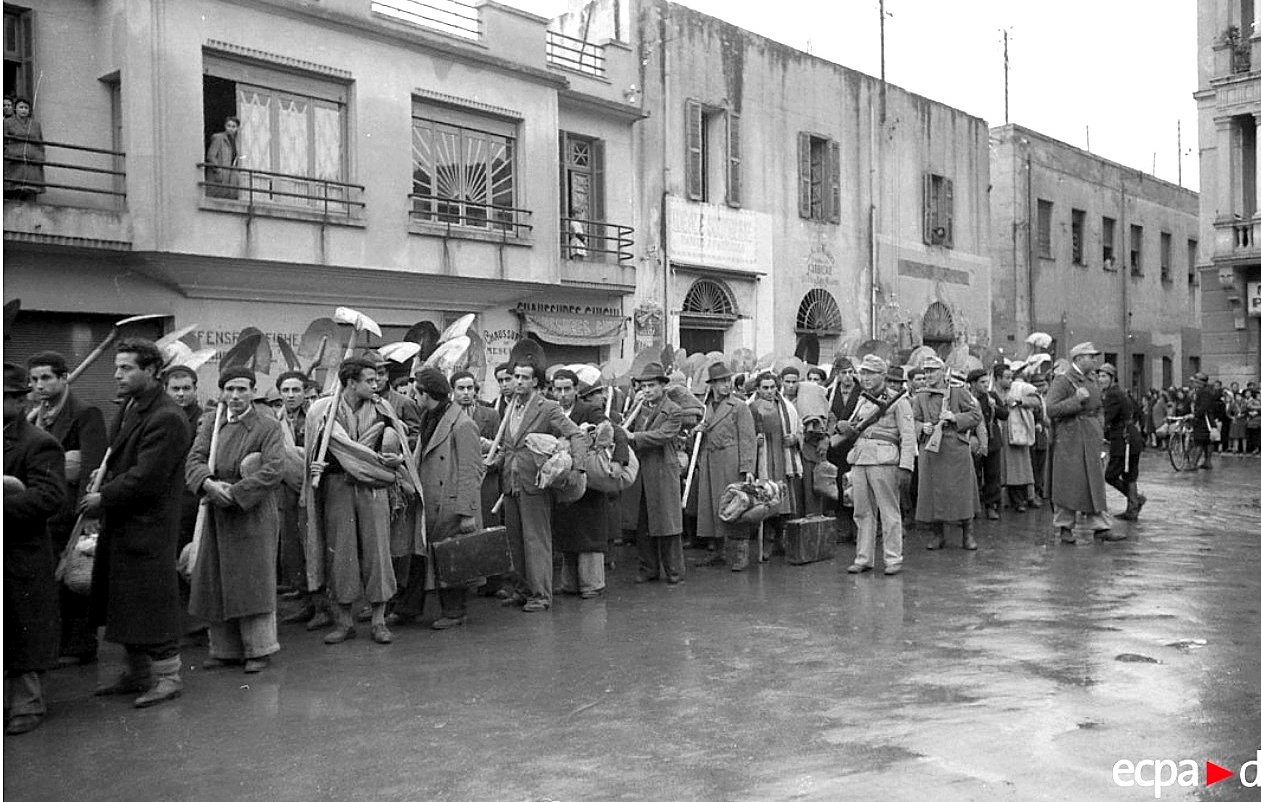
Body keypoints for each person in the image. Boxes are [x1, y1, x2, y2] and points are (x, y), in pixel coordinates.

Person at [82, 339, 192, 708]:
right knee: (125, 601)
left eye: (127, 368)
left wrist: (104, 496)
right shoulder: (131, 407)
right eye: (116, 368)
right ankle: (138, 673)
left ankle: (169, 676)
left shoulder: (166, 417)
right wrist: (105, 472)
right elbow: (125, 459)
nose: (117, 375)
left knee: (150, 603)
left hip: (149, 524)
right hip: (127, 522)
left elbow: (147, 477)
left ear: (151, 371)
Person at [305, 357, 418, 645]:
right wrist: (316, 467)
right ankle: (344, 622)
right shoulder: (322, 411)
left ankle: (379, 621)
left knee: (379, 553)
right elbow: (311, 454)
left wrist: (396, 460)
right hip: (337, 487)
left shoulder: (384, 410)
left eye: (377, 378)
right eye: (369, 379)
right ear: (350, 382)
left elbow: (401, 450)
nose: (376, 383)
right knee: (340, 553)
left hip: (375, 488)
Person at [185, 367, 286, 674]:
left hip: (251, 512)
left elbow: (274, 469)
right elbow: (194, 459)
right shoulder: (211, 425)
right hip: (217, 509)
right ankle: (224, 649)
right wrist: (207, 484)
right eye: (230, 390)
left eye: (242, 389)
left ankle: (259, 649)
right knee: (215, 579)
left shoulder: (268, 426)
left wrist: (237, 492)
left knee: (252, 581)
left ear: (253, 391)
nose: (236, 396)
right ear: (222, 392)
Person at [25, 351, 107, 667]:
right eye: (34, 379)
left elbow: (92, 467)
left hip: (70, 509)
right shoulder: (35, 415)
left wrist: (87, 517)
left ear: (63, 377)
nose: (39, 385)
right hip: (41, 509)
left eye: (46, 378)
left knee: (74, 578)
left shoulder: (85, 414)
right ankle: (58, 643)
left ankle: (80, 645)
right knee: (50, 580)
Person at [491, 360, 587, 612]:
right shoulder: (510, 406)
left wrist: (578, 468)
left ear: (535, 382)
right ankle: (523, 589)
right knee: (516, 540)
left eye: (524, 377)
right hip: (510, 482)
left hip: (536, 482)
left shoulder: (548, 408)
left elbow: (576, 434)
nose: (518, 382)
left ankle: (541, 595)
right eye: (515, 377)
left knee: (536, 540)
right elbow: (510, 446)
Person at [391, 368, 482, 629]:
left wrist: (466, 512)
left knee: (451, 556)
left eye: (415, 392)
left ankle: (455, 612)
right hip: (427, 499)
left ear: (425, 394)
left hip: (449, 503)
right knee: (419, 556)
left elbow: (469, 470)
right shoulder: (430, 417)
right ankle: (409, 608)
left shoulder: (463, 424)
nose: (412, 397)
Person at [3, 363, 66, 735]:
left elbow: (50, 497)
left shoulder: (38, 443)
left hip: (19, 551)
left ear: (16, 400)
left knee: (23, 627)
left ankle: (27, 703)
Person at [840, 356, 916, 575]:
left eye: (871, 373)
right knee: (861, 511)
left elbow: (908, 436)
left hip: (884, 459)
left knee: (889, 511)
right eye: (863, 373)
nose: (866, 378)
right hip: (860, 458)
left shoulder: (898, 400)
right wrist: (846, 427)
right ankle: (864, 557)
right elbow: (855, 426)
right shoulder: (862, 400)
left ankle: (893, 559)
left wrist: (906, 466)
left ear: (883, 375)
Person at [552, 369, 620, 597]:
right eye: (558, 389)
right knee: (567, 531)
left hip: (589, 481)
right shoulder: (551, 413)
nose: (563, 394)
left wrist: (619, 461)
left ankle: (593, 584)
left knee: (589, 533)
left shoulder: (589, 411)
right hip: (564, 481)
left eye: (567, 389)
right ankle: (570, 583)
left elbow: (614, 432)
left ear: (576, 390)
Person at [1045, 343, 1117, 543]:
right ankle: (1064, 527)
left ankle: (1101, 527)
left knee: (1094, 482)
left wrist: (1099, 426)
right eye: (1090, 357)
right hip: (1070, 439)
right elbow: (1051, 409)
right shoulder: (1063, 381)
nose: (1095, 361)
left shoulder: (1091, 379)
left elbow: (1099, 406)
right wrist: (1076, 400)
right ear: (1078, 359)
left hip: (1091, 437)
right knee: (1068, 483)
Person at [623, 362, 685, 585]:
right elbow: (626, 427)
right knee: (643, 523)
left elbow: (663, 435)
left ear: (662, 386)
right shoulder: (638, 407)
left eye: (651, 386)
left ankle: (674, 571)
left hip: (661, 470)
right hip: (640, 471)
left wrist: (633, 437)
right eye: (643, 386)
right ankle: (648, 568)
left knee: (667, 524)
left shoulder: (674, 410)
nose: (647, 390)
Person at [913, 356, 981, 550]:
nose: (928, 375)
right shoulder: (921, 395)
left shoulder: (958, 391)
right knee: (932, 494)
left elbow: (976, 416)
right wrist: (921, 427)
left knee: (962, 493)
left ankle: (967, 534)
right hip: (931, 450)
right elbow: (913, 419)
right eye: (926, 371)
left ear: (943, 372)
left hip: (955, 449)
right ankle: (937, 534)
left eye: (933, 371)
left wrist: (954, 417)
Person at [694, 362, 757, 571]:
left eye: (727, 381)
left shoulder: (739, 406)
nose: (726, 385)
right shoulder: (705, 408)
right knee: (713, 509)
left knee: (735, 506)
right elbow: (697, 439)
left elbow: (748, 439)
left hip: (731, 461)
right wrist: (698, 431)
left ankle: (739, 555)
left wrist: (748, 468)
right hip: (710, 461)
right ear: (711, 384)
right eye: (721, 382)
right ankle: (718, 551)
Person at [163, 364, 209, 645]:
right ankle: (181, 624)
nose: (180, 394)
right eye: (175, 389)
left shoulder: (203, 422)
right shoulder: (163, 418)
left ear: (195, 389)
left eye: (186, 389)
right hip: (168, 500)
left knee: (192, 563)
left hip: (192, 501)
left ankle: (197, 626)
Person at [748, 371, 802, 558]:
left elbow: (799, 429)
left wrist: (794, 438)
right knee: (765, 500)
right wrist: (754, 439)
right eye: (765, 388)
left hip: (782, 457)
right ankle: (766, 543)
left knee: (783, 501)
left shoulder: (787, 408)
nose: (769, 391)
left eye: (772, 387)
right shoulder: (749, 407)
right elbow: (745, 434)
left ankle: (781, 540)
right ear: (758, 389)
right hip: (761, 460)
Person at [450, 370, 501, 526]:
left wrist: (494, 460)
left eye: (470, 388)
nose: (466, 392)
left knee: (488, 524)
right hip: (457, 479)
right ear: (452, 391)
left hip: (486, 480)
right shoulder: (447, 417)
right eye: (461, 388)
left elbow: (503, 448)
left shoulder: (490, 415)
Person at [1098, 364, 1146, 521]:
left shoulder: (1113, 394)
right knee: (1129, 475)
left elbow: (1105, 418)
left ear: (1112, 378)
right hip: (1131, 437)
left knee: (1111, 475)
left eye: (1104, 376)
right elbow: (1138, 411)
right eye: (1100, 376)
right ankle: (1132, 508)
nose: (1101, 379)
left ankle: (1135, 501)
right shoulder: (1121, 393)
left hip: (1123, 439)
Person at [827, 357, 863, 543]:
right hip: (836, 448)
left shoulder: (863, 393)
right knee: (839, 485)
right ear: (837, 375)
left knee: (856, 485)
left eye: (850, 372)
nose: (848, 377)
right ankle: (843, 526)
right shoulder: (829, 394)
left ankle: (858, 526)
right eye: (843, 373)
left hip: (855, 444)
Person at [996, 364, 1038, 512]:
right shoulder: (992, 392)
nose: (1010, 381)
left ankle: (1027, 497)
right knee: (1009, 469)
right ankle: (1014, 500)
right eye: (1006, 378)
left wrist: (1019, 401)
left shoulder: (1019, 388)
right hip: (1003, 432)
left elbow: (1036, 401)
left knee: (1023, 467)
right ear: (997, 378)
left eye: (1011, 377)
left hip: (1019, 432)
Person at [968, 368, 1006, 521]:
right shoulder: (967, 398)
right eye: (982, 382)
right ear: (973, 383)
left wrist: (994, 407)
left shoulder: (992, 397)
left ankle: (991, 506)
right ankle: (974, 507)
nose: (985, 385)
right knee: (974, 475)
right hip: (974, 441)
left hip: (992, 441)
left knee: (992, 475)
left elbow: (1005, 414)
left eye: (987, 382)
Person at [4, 96, 45, 201]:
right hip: (14, 163)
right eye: (21, 107)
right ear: (15, 109)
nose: (23, 110)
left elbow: (40, 143)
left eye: (26, 108)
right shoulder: (7, 123)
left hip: (32, 163)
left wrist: (40, 156)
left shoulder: (35, 125)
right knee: (14, 196)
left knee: (31, 196)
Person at [1190, 372, 1223, 470]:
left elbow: (1203, 407)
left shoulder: (1204, 392)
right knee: (1207, 442)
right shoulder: (1208, 390)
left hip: (1204, 420)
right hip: (1208, 418)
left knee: (1200, 441)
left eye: (1195, 381)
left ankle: (1194, 464)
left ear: (1200, 382)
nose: (1194, 383)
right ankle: (1207, 462)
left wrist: (1195, 414)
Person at [204, 116, 240, 199]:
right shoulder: (218, 138)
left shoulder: (236, 142)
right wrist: (218, 169)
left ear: (237, 128)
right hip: (220, 176)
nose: (231, 129)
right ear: (225, 126)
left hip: (230, 176)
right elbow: (211, 156)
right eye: (229, 126)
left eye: (233, 127)